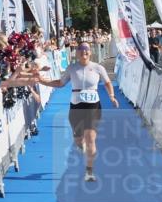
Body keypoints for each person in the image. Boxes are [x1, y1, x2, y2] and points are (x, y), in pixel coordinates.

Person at [40, 41, 118, 182]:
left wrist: (112, 96)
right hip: (76, 107)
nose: (84, 51)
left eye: (86, 49)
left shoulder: (98, 68)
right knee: (78, 140)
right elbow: (60, 83)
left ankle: (89, 171)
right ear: (77, 52)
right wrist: (42, 81)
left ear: (90, 52)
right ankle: (81, 146)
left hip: (93, 106)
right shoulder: (72, 68)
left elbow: (107, 83)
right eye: (81, 49)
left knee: (90, 139)